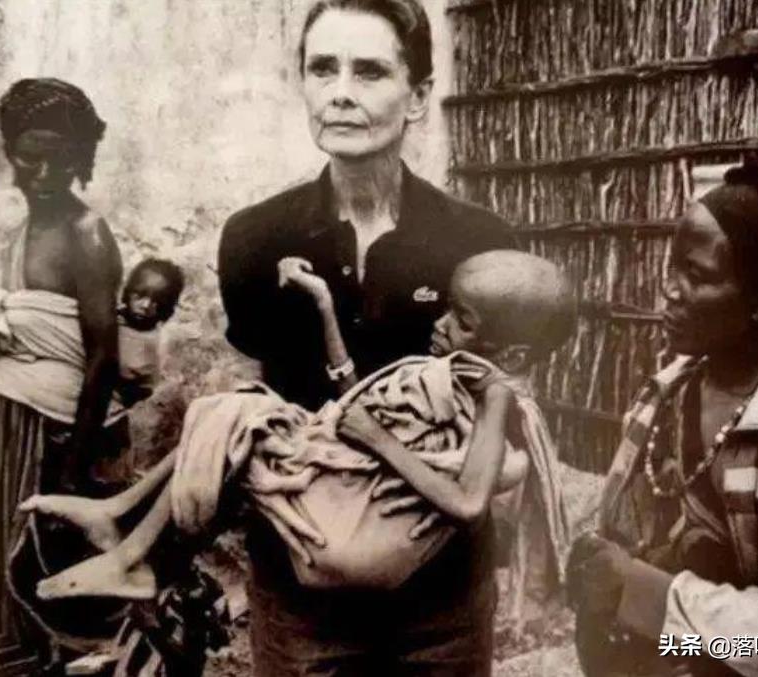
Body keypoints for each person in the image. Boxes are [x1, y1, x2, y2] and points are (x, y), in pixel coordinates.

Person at [21, 251, 574, 677]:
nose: (444, 323)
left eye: (464, 320)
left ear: (514, 355)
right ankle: (122, 527)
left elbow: (469, 501)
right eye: (449, 307)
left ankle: (129, 545)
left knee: (236, 414)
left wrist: (375, 438)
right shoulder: (457, 374)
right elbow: (355, 393)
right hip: (353, 475)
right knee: (236, 410)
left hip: (360, 524)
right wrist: (325, 306)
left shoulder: (496, 394)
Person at [176, 1, 514, 673]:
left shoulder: (479, 242)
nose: (340, 93)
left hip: (440, 597)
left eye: (370, 72)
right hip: (303, 591)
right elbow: (263, 404)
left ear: (417, 96)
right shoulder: (254, 239)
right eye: (322, 68)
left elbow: (492, 414)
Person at [567, 147, 758, 677]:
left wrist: (645, 597)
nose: (669, 290)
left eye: (695, 274)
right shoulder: (664, 395)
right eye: (673, 265)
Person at [0, 78, 125, 677]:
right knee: (18, 564)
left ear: (81, 157)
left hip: (63, 432)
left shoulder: (84, 233)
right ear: (9, 152)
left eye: (60, 160)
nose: (43, 174)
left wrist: (73, 466)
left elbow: (102, 356)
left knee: (54, 572)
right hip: (21, 425)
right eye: (28, 158)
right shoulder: (22, 231)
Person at [117, 257, 185, 406]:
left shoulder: (160, 342)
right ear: (127, 291)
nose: (146, 305)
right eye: (140, 295)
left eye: (157, 301)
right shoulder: (108, 322)